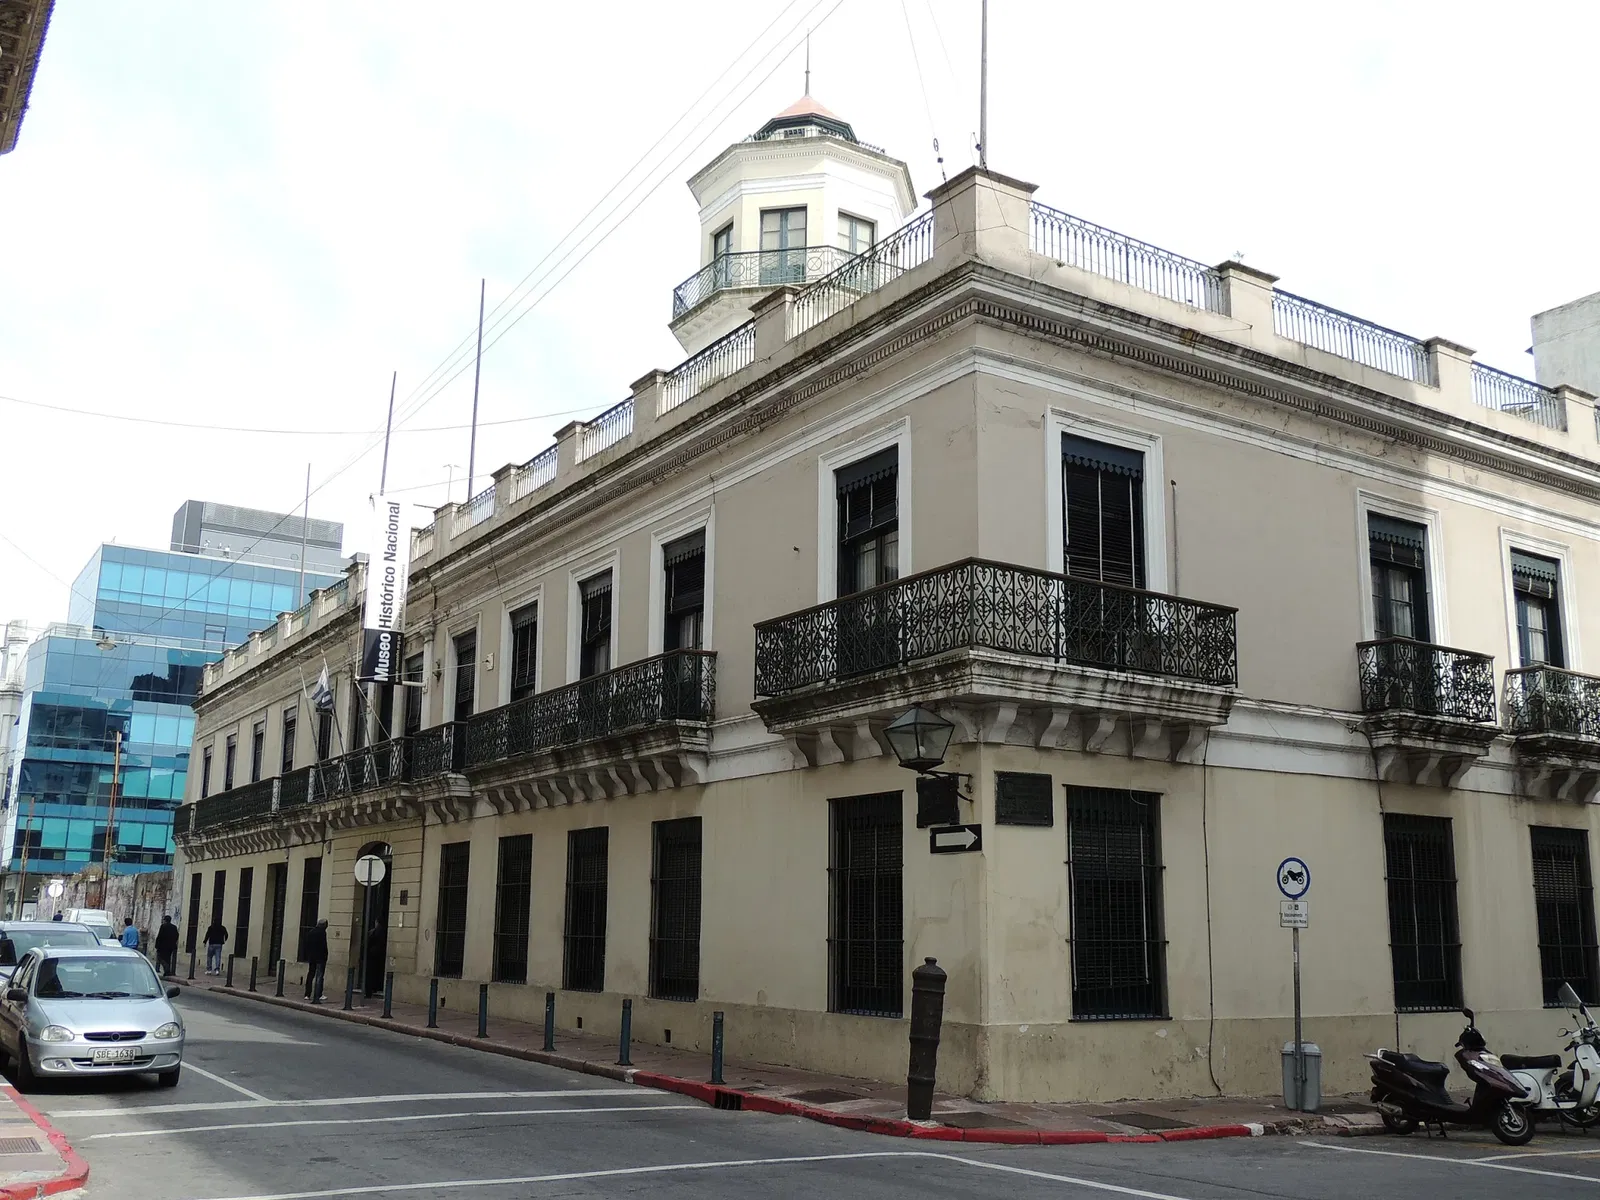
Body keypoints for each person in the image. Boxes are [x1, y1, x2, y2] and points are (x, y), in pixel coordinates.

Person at [303, 918, 329, 1003]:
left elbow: (307, 945)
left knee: (310, 975)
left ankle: (307, 994)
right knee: (319, 976)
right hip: (320, 958)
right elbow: (323, 946)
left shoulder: (311, 932)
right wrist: (325, 956)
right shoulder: (322, 933)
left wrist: (308, 955)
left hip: (312, 958)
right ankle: (318, 994)